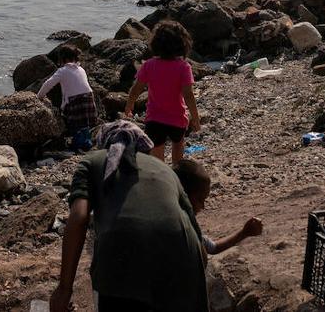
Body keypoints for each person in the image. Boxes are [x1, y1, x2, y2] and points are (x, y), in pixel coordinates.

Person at [50, 121, 208, 312]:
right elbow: (195, 233)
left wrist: (64, 290)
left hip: (121, 258)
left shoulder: (92, 160)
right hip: (184, 254)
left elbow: (79, 217)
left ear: (104, 143)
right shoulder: (165, 169)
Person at [125, 21, 201, 164]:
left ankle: (161, 177)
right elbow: (188, 95)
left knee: (157, 155)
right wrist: (195, 117)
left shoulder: (148, 65)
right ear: (182, 44)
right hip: (177, 118)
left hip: (154, 119)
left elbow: (136, 88)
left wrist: (129, 105)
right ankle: (176, 175)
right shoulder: (184, 67)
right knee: (178, 146)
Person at [174, 160, 264, 255]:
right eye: (200, 200)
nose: (203, 207)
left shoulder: (188, 225)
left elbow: (213, 247)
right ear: (183, 196)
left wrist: (244, 233)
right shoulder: (175, 229)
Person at [36, 44, 99, 151]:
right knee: (84, 125)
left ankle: (78, 144)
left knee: (74, 125)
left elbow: (48, 84)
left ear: (62, 59)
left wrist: (39, 96)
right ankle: (87, 142)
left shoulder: (62, 71)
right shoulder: (81, 69)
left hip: (75, 101)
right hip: (89, 98)